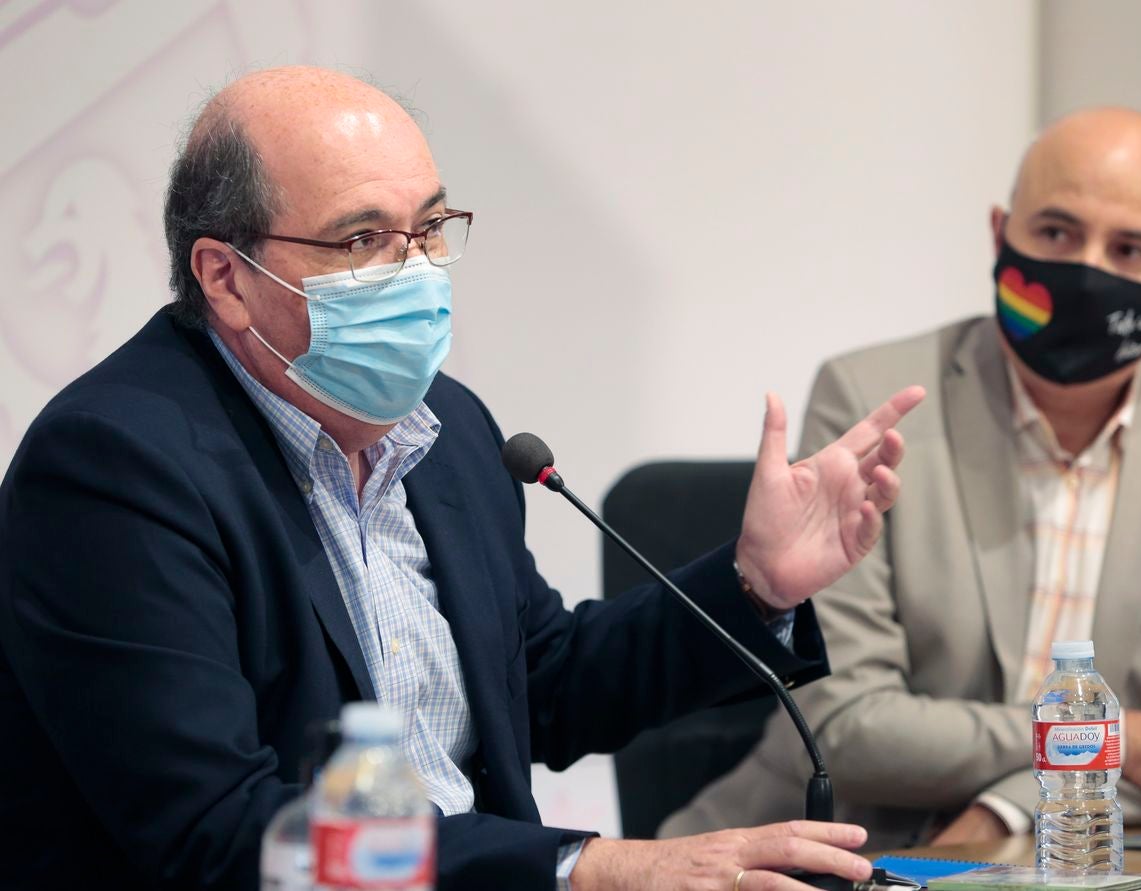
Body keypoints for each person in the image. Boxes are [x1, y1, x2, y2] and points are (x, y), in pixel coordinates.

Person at [0, 67, 927, 890]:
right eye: (363, 240)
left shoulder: (446, 427)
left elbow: (541, 685)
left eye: (431, 228)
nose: (415, 272)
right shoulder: (113, 467)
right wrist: (588, 867)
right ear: (225, 277)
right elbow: (224, 832)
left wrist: (752, 585)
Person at [662, 107, 1141, 850]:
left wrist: (1012, 807)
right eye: (1057, 233)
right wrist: (1132, 740)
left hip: (1079, 860)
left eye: (1130, 249)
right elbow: (849, 727)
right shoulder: (873, 403)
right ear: (1000, 234)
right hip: (828, 853)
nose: (1089, 271)